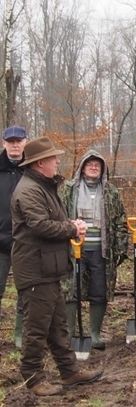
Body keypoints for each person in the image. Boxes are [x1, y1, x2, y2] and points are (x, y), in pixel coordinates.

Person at [11, 137, 102, 396]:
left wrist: (70, 225)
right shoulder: (29, 190)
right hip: (35, 269)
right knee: (36, 327)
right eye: (53, 158)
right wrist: (72, 228)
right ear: (40, 163)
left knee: (57, 325)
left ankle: (69, 371)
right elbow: (40, 225)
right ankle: (32, 377)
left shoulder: (43, 187)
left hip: (48, 267)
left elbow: (50, 220)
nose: (57, 161)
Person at [59, 150, 129, 350]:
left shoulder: (111, 192)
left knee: (99, 291)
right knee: (71, 291)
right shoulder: (68, 190)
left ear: (103, 169)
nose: (93, 167)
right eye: (89, 163)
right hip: (72, 250)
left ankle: (95, 334)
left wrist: (120, 250)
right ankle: (70, 334)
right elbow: (59, 216)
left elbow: (120, 221)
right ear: (82, 167)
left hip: (101, 250)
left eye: (97, 164)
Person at [0, 126, 26, 348]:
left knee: (24, 290)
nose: (15, 145)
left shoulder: (31, 168)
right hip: (0, 242)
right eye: (11, 141)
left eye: (19, 141)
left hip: (25, 242)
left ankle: (20, 334)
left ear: (25, 142)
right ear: (4, 143)